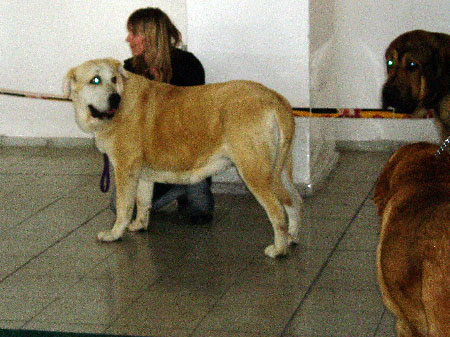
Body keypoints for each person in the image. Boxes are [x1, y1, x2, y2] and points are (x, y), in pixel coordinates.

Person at [112, 7, 214, 225]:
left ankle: (188, 182)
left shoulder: (188, 65)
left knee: (201, 213)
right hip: (148, 154)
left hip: (186, 150)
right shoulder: (128, 70)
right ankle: (181, 187)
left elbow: (197, 117)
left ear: (151, 35)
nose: (128, 39)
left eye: (134, 33)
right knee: (120, 209)